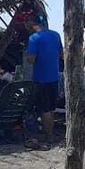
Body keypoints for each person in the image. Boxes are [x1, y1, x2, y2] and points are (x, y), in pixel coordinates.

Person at [25, 14, 63, 145]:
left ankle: (49, 135)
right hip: (54, 76)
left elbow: (31, 59)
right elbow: (60, 54)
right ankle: (50, 132)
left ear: (32, 24)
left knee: (44, 109)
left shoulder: (34, 38)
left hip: (41, 78)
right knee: (51, 107)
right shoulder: (56, 35)